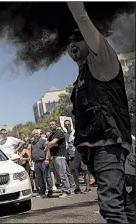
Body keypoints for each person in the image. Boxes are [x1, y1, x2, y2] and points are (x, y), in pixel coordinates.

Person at [67, 2, 135, 222]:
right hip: (94, 149)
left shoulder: (103, 60)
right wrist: (77, 158)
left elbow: (82, 18)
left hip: (109, 144)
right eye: (68, 43)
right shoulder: (81, 78)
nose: (72, 45)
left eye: (77, 38)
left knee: (111, 206)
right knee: (124, 204)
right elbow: (83, 123)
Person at [45, 120, 71, 198]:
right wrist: (51, 144)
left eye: (52, 124)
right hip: (53, 156)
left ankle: (67, 191)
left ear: (57, 125)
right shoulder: (51, 134)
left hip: (60, 155)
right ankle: (65, 190)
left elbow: (51, 143)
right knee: (58, 174)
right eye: (50, 124)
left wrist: (51, 144)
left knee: (62, 174)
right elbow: (47, 145)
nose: (51, 126)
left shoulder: (59, 132)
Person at [64, 120, 91, 194]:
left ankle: (88, 187)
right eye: (65, 124)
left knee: (85, 170)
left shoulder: (75, 132)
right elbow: (66, 146)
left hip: (80, 153)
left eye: (68, 124)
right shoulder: (66, 135)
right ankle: (77, 188)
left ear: (71, 124)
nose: (67, 126)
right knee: (74, 172)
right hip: (72, 155)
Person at [31, 129, 53, 198]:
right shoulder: (32, 143)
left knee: (47, 176)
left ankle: (50, 190)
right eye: (34, 134)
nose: (35, 135)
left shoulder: (43, 141)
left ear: (39, 134)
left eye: (36, 133)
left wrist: (47, 159)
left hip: (43, 161)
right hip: (36, 163)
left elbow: (47, 150)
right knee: (39, 178)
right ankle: (42, 192)